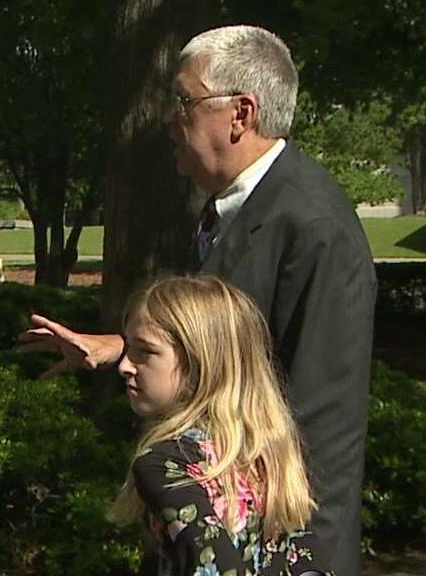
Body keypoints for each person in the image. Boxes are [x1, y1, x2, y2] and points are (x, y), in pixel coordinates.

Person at [20, 25, 375, 574]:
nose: (168, 118)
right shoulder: (230, 209)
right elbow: (217, 341)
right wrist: (122, 346)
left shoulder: (313, 226)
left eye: (183, 101)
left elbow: (323, 429)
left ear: (241, 114)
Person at [111, 275, 331, 575]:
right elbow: (307, 560)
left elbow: (214, 566)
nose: (124, 365)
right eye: (126, 349)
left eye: (144, 351)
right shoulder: (263, 450)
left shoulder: (165, 463)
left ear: (199, 362)